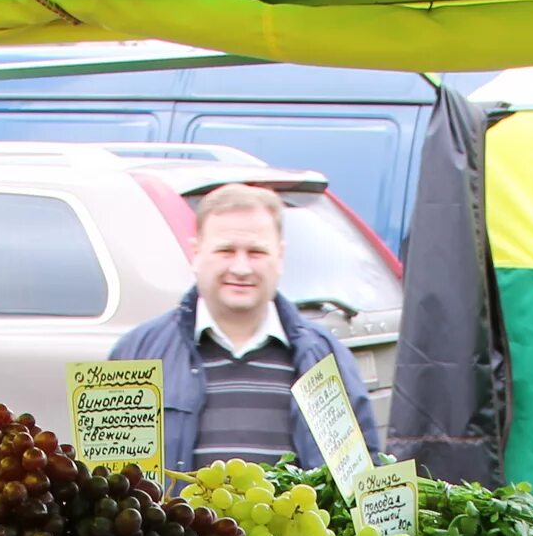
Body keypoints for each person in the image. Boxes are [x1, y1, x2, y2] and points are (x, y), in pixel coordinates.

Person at [110, 184, 380, 477]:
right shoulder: (136, 355)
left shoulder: (325, 359)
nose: (241, 268)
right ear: (196, 253)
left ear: (280, 256)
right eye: (226, 250)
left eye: (256, 252)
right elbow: (113, 484)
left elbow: (362, 480)